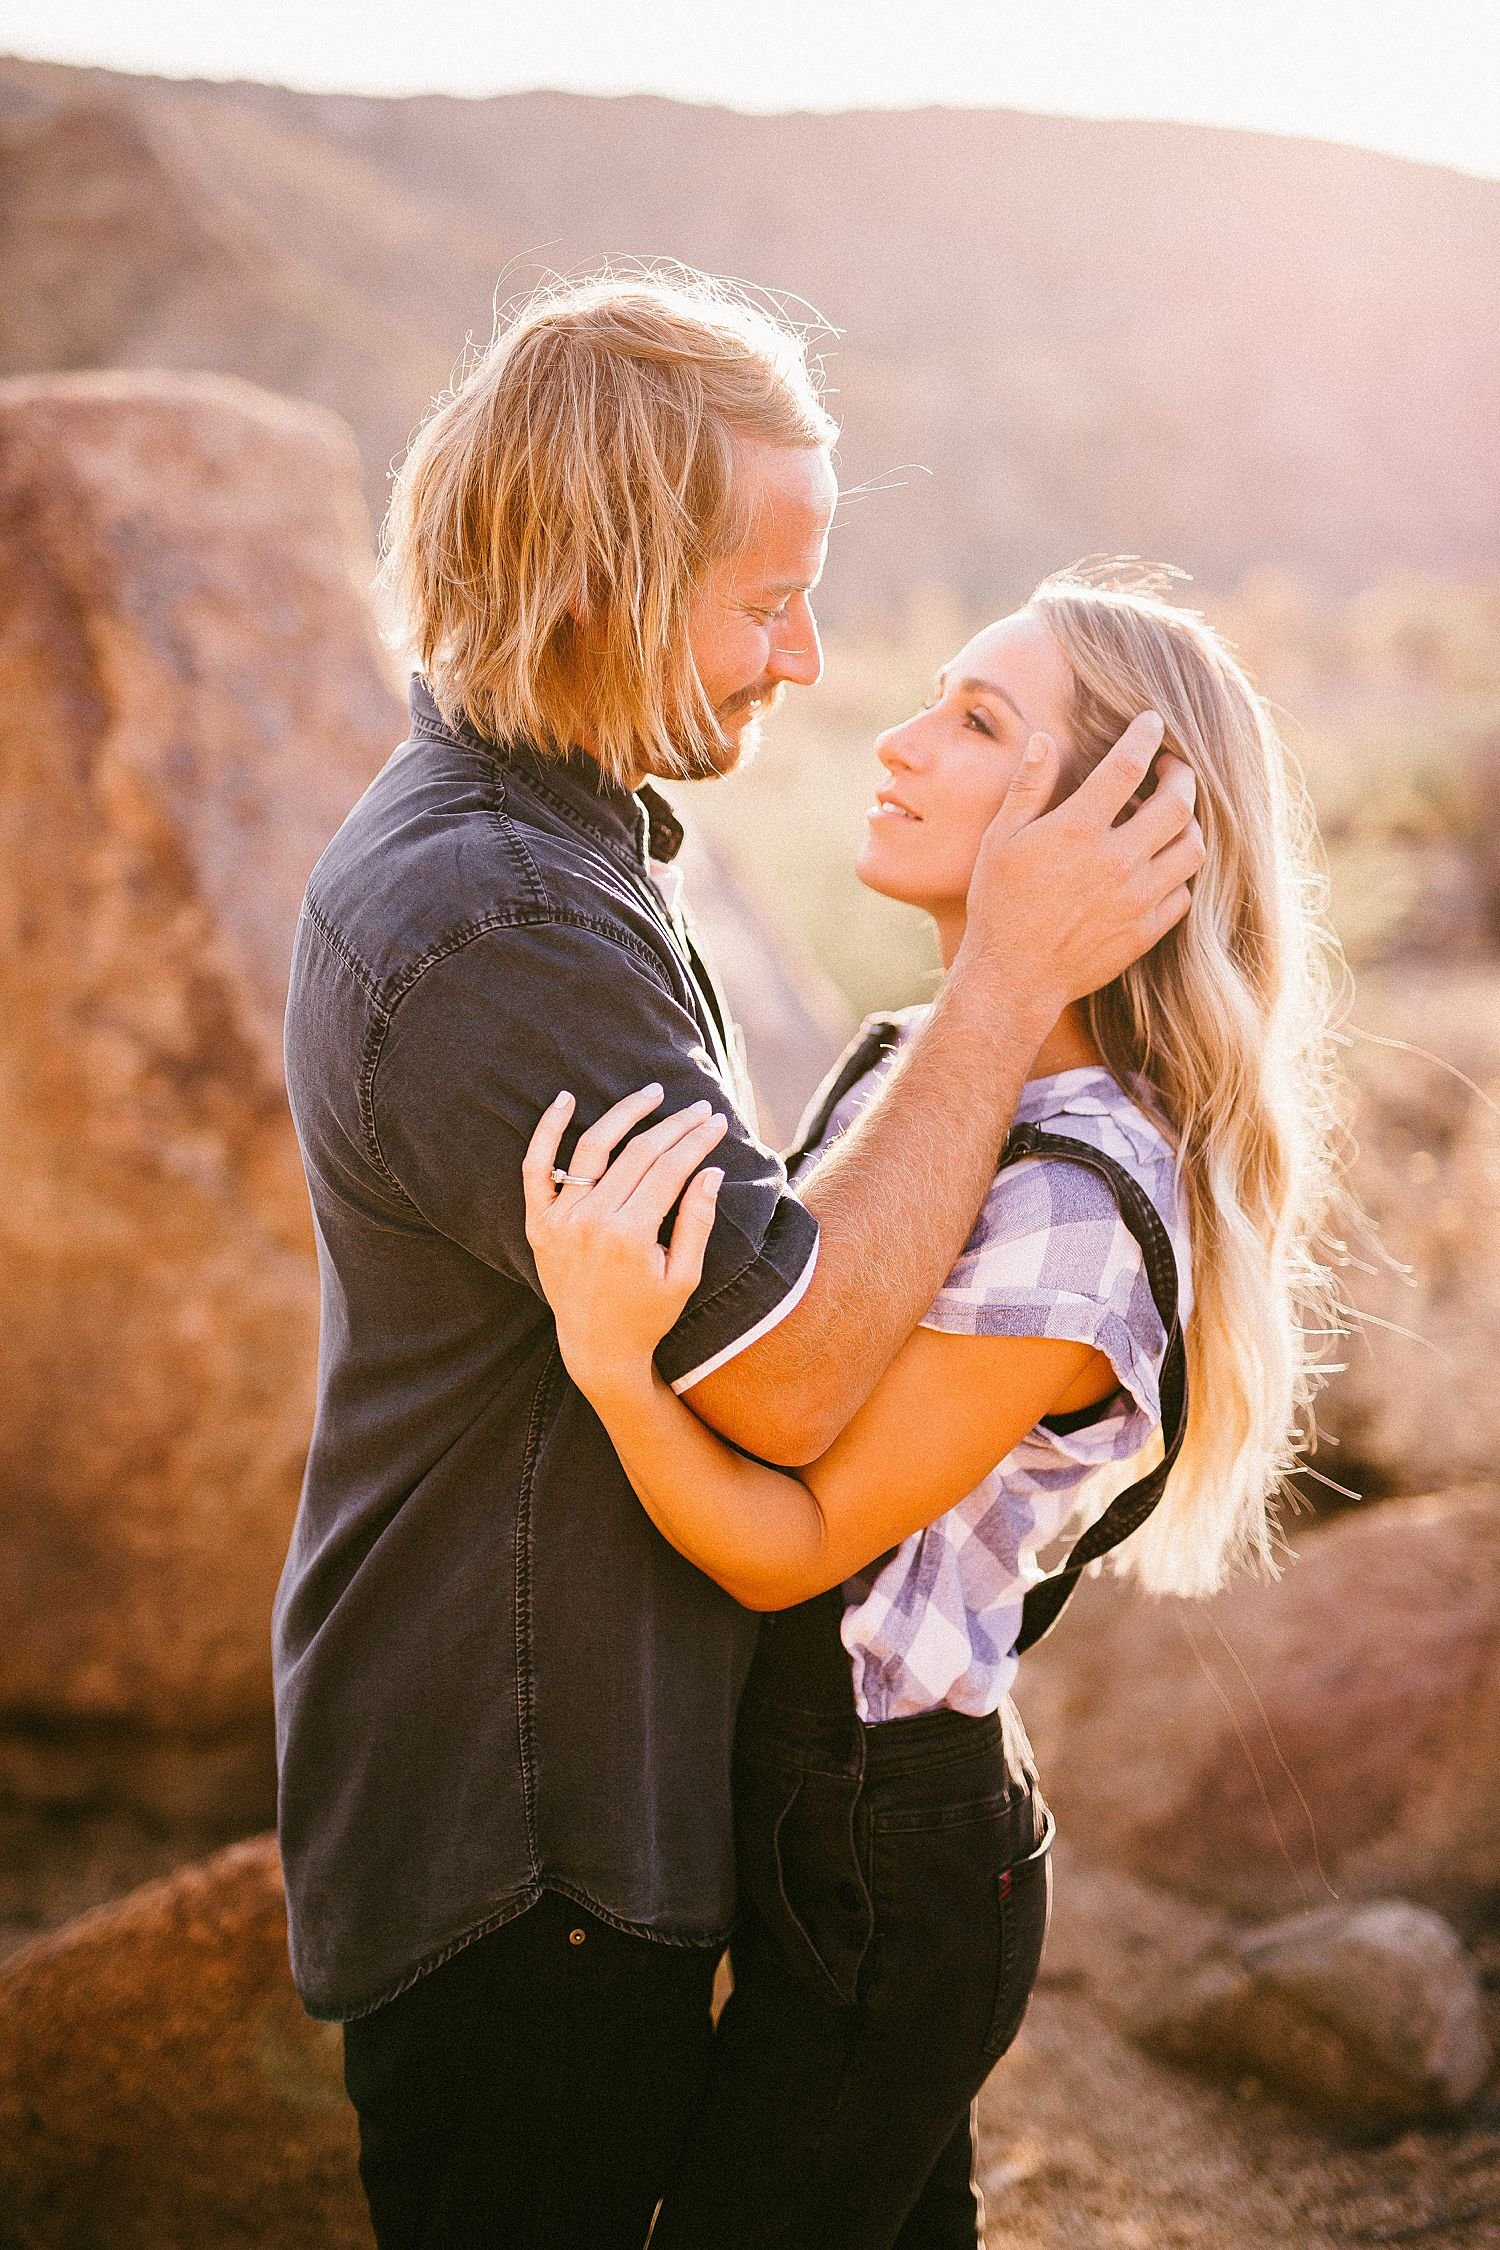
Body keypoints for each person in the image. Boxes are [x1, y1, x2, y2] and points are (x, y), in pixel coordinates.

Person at [273, 269, 1202, 2250]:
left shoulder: (566, 846)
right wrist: (1013, 970)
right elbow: (783, 1367)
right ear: (598, 579)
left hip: (620, 1795)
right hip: (525, 1829)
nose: (801, 661)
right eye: (764, 599)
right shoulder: (493, 923)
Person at [522, 570, 1342, 2249]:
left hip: (891, 1853)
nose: (893, 742)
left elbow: (790, 1537)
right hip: (820, 1820)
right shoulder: (921, 1063)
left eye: (976, 722)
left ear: (1114, 829)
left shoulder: (1077, 1203)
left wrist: (611, 1360)